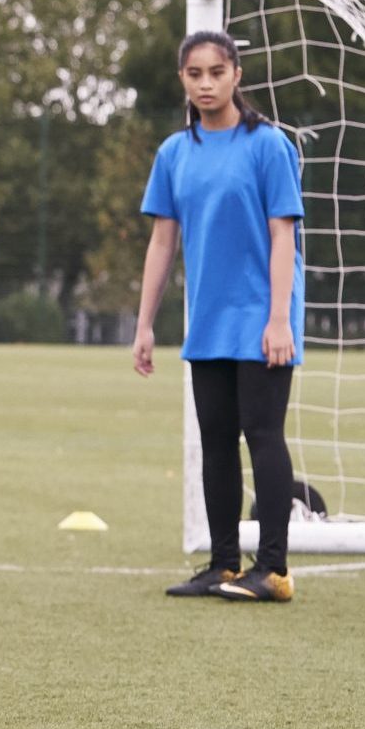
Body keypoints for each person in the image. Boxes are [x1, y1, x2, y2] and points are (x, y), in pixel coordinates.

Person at [133, 30, 306, 603]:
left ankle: (274, 569)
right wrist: (144, 324)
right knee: (214, 441)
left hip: (262, 319)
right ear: (182, 79)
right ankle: (224, 565)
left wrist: (279, 319)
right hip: (207, 322)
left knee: (262, 435)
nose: (206, 83)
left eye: (216, 72)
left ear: (237, 74)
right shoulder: (174, 154)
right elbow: (162, 243)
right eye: (194, 74)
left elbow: (284, 237)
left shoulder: (268, 146)